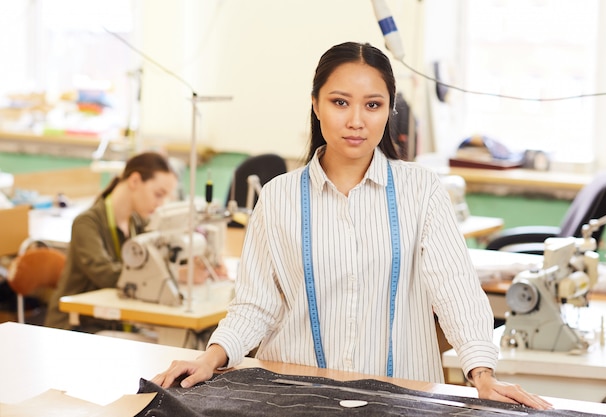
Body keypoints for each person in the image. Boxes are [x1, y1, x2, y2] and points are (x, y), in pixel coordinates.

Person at [152, 42, 552, 410]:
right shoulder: (277, 197)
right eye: (340, 102)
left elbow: (456, 291)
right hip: (295, 397)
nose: (356, 121)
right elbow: (256, 304)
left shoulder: (422, 190)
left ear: (390, 109)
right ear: (315, 104)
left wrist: (481, 374)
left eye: (373, 105)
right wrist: (211, 356)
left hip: (405, 398)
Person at [45, 151, 178, 332]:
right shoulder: (86, 223)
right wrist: (174, 275)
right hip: (75, 327)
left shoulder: (137, 223)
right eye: (158, 194)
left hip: (112, 323)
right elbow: (106, 275)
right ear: (134, 181)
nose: (160, 204)